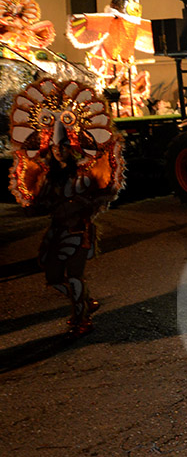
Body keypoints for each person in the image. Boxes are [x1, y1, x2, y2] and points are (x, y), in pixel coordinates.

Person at [8, 78, 125, 335]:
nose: (59, 150)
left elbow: (103, 195)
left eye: (63, 147)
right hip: (57, 232)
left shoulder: (83, 176)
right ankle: (85, 301)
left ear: (71, 147)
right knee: (52, 278)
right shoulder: (48, 177)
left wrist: (81, 204)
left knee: (73, 277)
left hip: (78, 232)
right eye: (55, 147)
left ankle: (81, 316)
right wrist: (34, 205)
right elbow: (40, 204)